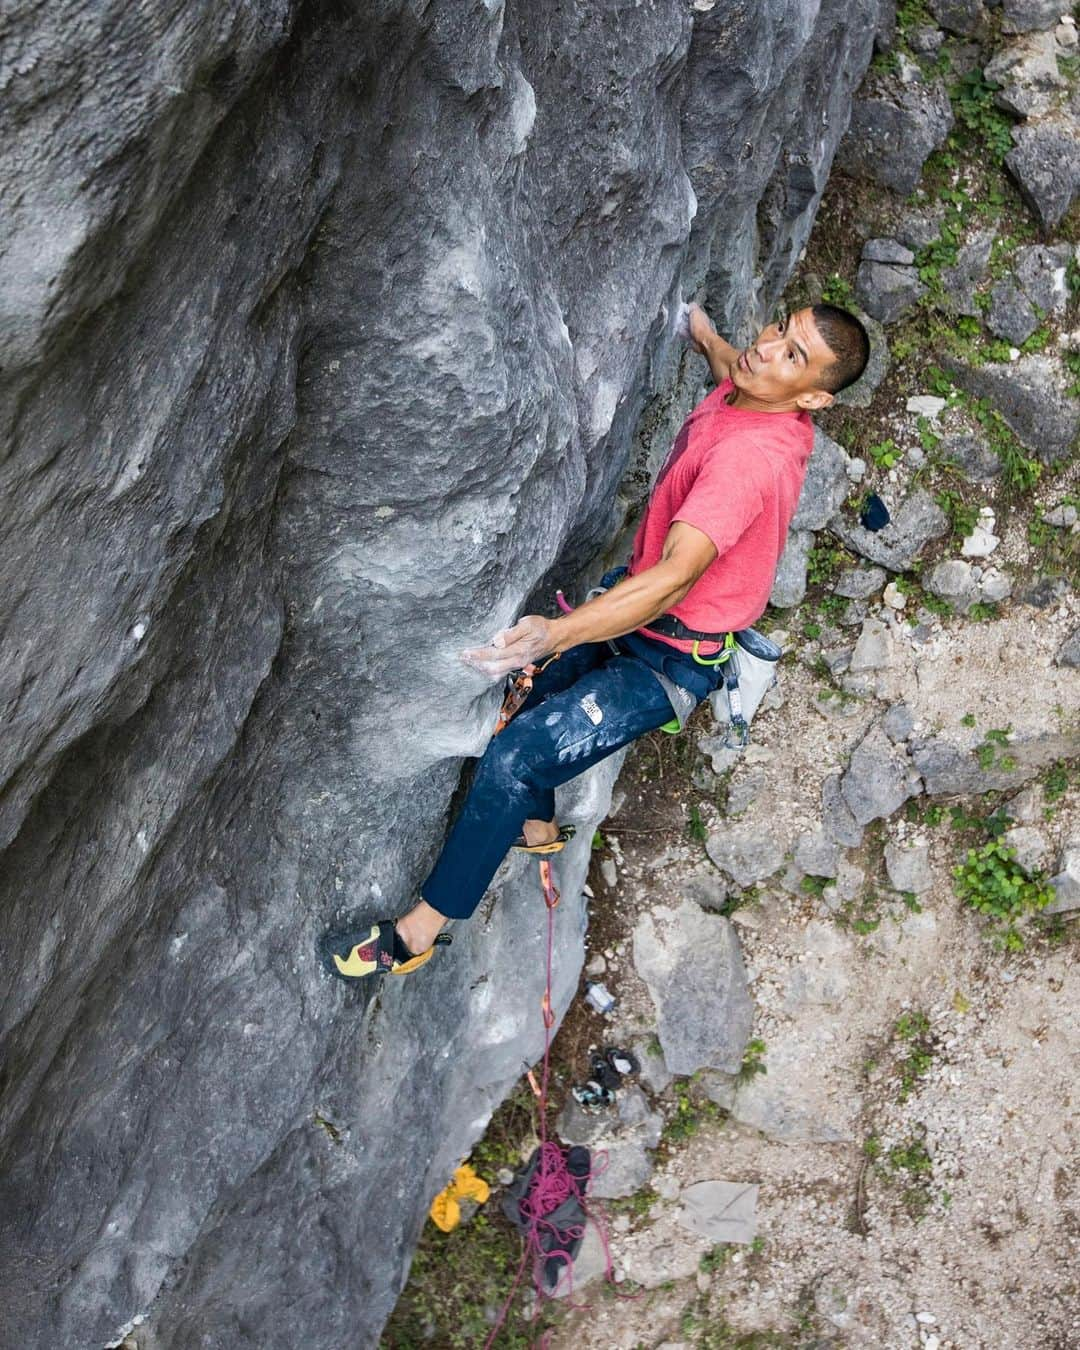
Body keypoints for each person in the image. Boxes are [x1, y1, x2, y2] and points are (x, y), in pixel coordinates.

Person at [319, 301, 870, 981]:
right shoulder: (758, 389)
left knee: (514, 759)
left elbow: (672, 581)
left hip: (668, 655)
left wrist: (558, 630)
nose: (768, 347)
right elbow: (734, 363)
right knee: (522, 701)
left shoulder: (746, 464)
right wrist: (699, 331)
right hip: (639, 610)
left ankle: (414, 937)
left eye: (794, 354)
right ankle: (535, 833)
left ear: (814, 396)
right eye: (780, 327)